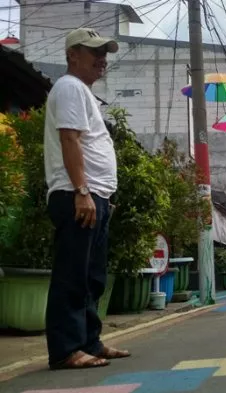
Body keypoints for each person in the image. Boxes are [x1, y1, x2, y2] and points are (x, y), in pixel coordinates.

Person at [44, 28, 129, 370]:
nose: (101, 59)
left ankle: (89, 342)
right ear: (72, 56)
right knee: (72, 274)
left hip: (95, 196)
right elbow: (70, 140)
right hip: (76, 194)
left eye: (104, 53)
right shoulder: (68, 87)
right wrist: (82, 191)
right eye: (93, 52)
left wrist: (103, 195)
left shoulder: (82, 93)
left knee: (92, 276)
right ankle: (66, 349)